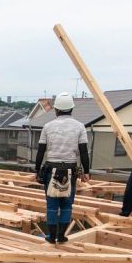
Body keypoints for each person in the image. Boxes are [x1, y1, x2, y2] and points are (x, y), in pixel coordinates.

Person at [34, 92, 90, 243]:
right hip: (70, 170)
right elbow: (84, 152)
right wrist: (87, 172)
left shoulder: (48, 126)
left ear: (56, 109)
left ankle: (51, 236)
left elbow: (41, 151)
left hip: (51, 168)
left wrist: (36, 170)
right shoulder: (79, 127)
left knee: (52, 205)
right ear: (72, 108)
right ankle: (62, 236)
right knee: (67, 204)